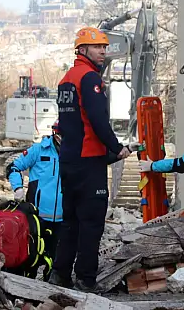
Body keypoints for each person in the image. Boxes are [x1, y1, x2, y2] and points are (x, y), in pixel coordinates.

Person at [49, 26, 135, 292]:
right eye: (98, 47)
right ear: (82, 50)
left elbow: (70, 122)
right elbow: (98, 120)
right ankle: (86, 279)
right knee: (92, 222)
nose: (103, 51)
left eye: (105, 47)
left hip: (69, 161)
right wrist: (117, 147)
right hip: (90, 162)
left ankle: (59, 274)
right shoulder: (89, 79)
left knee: (70, 221)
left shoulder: (67, 79)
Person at [6, 120, 63, 279]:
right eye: (60, 134)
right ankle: (24, 285)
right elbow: (13, 168)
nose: (63, 138)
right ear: (54, 133)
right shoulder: (38, 150)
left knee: (56, 259)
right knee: (31, 254)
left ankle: (51, 289)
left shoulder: (74, 152)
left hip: (64, 218)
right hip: (37, 216)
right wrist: (18, 188)